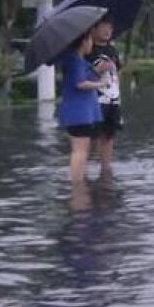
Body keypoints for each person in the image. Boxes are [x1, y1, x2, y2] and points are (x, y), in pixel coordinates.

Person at [58, 30, 105, 211]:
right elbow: (80, 83)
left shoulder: (78, 61)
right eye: (90, 41)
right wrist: (99, 85)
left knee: (83, 149)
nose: (92, 44)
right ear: (84, 41)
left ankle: (79, 179)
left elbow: (87, 76)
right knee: (79, 150)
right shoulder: (74, 60)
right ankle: (77, 184)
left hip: (83, 112)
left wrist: (96, 71)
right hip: (78, 113)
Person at [87, 16, 122, 181]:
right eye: (103, 26)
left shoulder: (112, 50)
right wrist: (99, 69)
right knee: (92, 136)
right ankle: (83, 167)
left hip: (113, 100)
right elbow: (85, 73)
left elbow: (118, 71)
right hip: (96, 100)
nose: (108, 30)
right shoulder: (88, 49)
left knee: (109, 135)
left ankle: (106, 168)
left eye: (110, 27)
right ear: (94, 29)